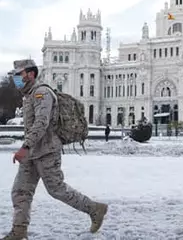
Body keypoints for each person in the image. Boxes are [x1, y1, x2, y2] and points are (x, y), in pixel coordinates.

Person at [1, 59, 108, 240]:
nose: (17, 78)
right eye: (15, 75)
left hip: (47, 151)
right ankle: (19, 231)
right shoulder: (29, 95)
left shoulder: (42, 93)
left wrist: (25, 147)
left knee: (56, 189)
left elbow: (41, 124)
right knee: (20, 191)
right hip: (32, 153)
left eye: (20, 74)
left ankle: (95, 209)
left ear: (31, 74)